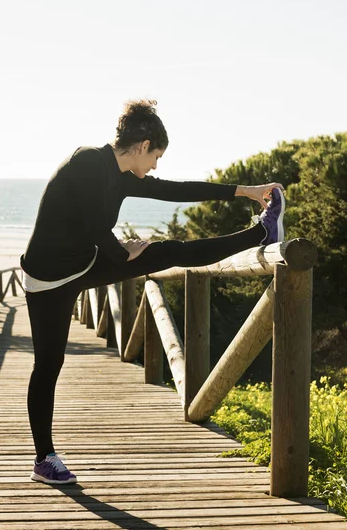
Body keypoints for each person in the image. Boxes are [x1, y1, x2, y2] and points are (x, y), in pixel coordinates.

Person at [20, 99, 285, 484]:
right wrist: (124, 251)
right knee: (48, 365)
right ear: (143, 145)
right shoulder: (89, 162)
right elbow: (94, 227)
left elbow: (177, 191)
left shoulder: (122, 175)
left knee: (171, 251)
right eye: (156, 156)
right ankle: (44, 459)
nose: (156, 166)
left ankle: (262, 232)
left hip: (84, 262)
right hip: (46, 278)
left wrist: (245, 190)